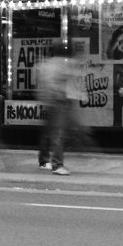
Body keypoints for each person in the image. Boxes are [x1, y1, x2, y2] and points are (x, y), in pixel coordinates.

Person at [36, 45, 76, 175]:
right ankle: (57, 164)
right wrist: (60, 96)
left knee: (47, 132)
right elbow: (56, 85)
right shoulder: (59, 65)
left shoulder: (45, 65)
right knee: (58, 134)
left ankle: (43, 160)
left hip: (47, 103)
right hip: (56, 103)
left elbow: (43, 85)